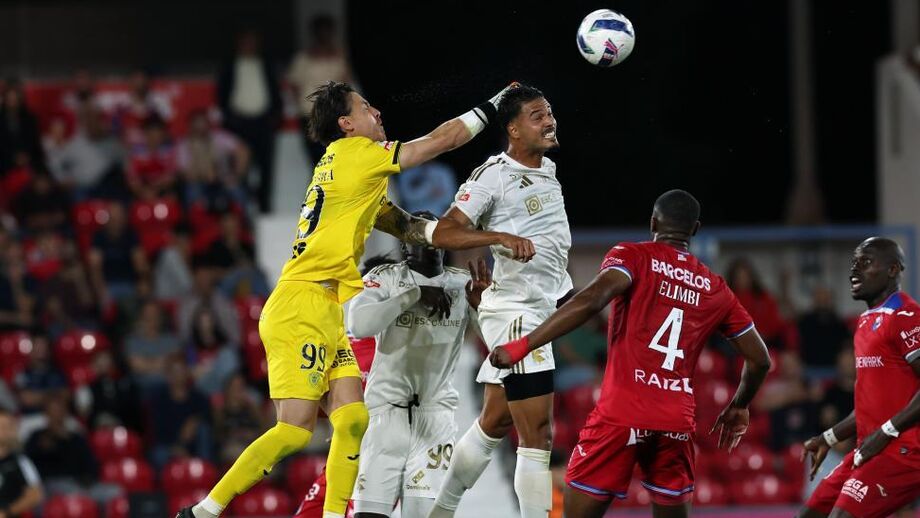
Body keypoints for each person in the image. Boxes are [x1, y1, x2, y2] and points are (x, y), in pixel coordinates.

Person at [178, 79, 533, 518]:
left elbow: (411, 229)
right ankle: (205, 511)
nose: (377, 112)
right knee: (293, 430)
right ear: (346, 124)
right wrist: (494, 104)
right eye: (367, 107)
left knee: (352, 420)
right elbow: (443, 140)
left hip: (325, 307)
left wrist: (479, 235)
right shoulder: (356, 155)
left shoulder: (350, 174)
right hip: (301, 304)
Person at [488, 189, 772, 518]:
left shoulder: (633, 256)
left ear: (653, 222)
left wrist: (524, 345)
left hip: (622, 413)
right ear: (694, 230)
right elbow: (761, 359)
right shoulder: (714, 287)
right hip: (674, 420)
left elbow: (593, 299)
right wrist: (739, 404)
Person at [429, 83, 571, 518]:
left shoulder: (546, 169)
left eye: (549, 113)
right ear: (512, 128)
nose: (549, 121)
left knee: (495, 421)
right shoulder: (493, 173)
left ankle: (440, 511)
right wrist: (498, 237)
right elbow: (445, 231)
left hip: (538, 307)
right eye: (537, 115)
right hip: (516, 313)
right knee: (538, 436)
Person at [348, 212, 490, 518]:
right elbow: (358, 323)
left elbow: (497, 346)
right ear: (404, 246)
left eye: (436, 235)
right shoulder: (385, 278)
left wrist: (485, 309)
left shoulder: (462, 284)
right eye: (420, 236)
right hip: (386, 414)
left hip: (435, 418)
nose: (430, 244)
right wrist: (412, 295)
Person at [798, 237, 920, 518]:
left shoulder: (906, 314)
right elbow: (869, 408)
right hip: (869, 449)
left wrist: (885, 432)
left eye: (865, 262)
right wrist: (827, 438)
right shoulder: (865, 322)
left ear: (892, 270)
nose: (854, 270)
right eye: (854, 263)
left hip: (903, 452)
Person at [0, 409, 43, 518]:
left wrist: (7, 512)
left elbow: (36, 494)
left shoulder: (21, 461)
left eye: (6, 427)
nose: (3, 431)